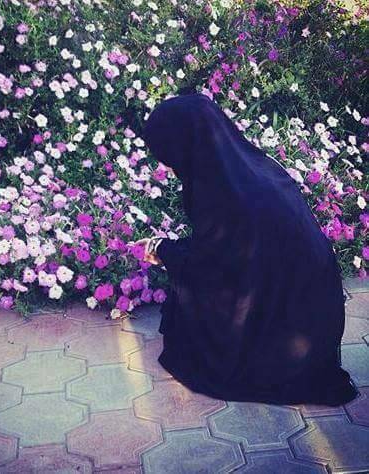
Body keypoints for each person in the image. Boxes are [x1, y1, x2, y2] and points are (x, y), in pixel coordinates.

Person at [138, 92, 359, 407]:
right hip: (314, 316)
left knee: (188, 313)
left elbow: (211, 270)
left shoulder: (223, 196)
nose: (168, 166)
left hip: (288, 335)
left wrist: (163, 250)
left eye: (168, 155)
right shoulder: (251, 169)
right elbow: (227, 249)